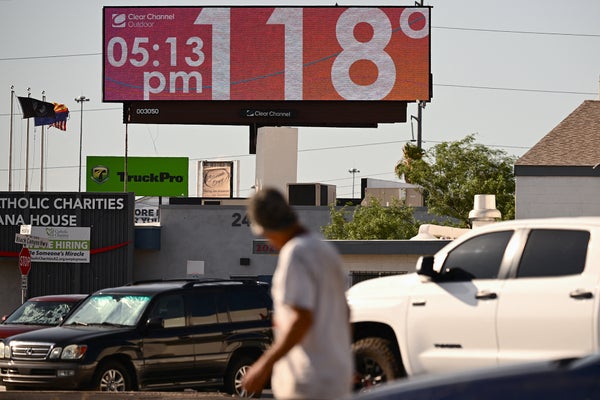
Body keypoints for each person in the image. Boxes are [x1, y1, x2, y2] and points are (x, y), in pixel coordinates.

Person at [242, 187, 353, 400]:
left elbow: (301, 319)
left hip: (308, 379)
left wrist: (263, 365)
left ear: (268, 229)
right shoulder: (325, 250)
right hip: (336, 376)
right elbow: (346, 312)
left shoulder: (295, 253)